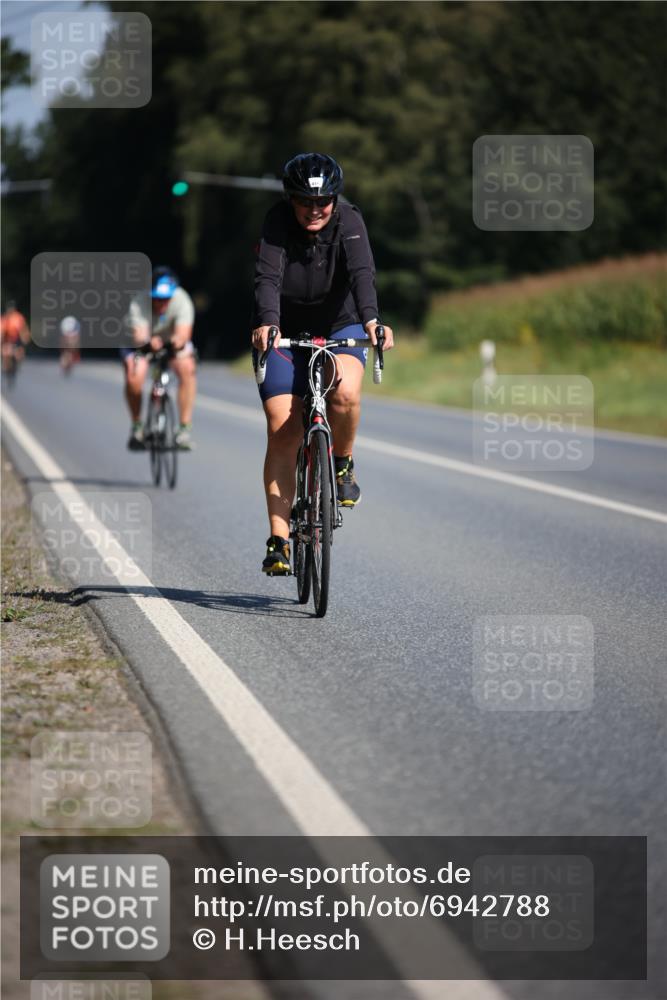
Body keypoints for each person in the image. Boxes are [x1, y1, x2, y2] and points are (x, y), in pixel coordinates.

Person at [252, 152, 394, 575]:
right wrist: (266, 323)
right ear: (290, 199)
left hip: (341, 324)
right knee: (283, 428)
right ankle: (279, 541)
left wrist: (372, 320)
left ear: (335, 200)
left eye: (323, 202)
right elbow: (267, 279)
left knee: (346, 391)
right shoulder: (277, 223)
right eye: (304, 202)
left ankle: (343, 461)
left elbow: (362, 272)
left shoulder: (349, 220)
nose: (314, 211)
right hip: (284, 329)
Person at [122, 266, 197, 450]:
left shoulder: (181, 300)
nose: (162, 303)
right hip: (140, 341)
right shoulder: (139, 301)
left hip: (169, 341)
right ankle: (137, 427)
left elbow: (184, 334)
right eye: (157, 298)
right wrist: (149, 341)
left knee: (187, 367)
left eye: (166, 298)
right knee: (135, 376)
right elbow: (139, 336)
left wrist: (175, 342)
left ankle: (183, 430)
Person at [1, 301, 30, 373]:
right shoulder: (4, 319)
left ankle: (16, 365)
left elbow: (23, 329)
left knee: (19, 355)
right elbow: (1, 332)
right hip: (7, 341)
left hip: (17, 341)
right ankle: (6, 367)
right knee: (5, 353)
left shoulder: (18, 318)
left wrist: (25, 339)